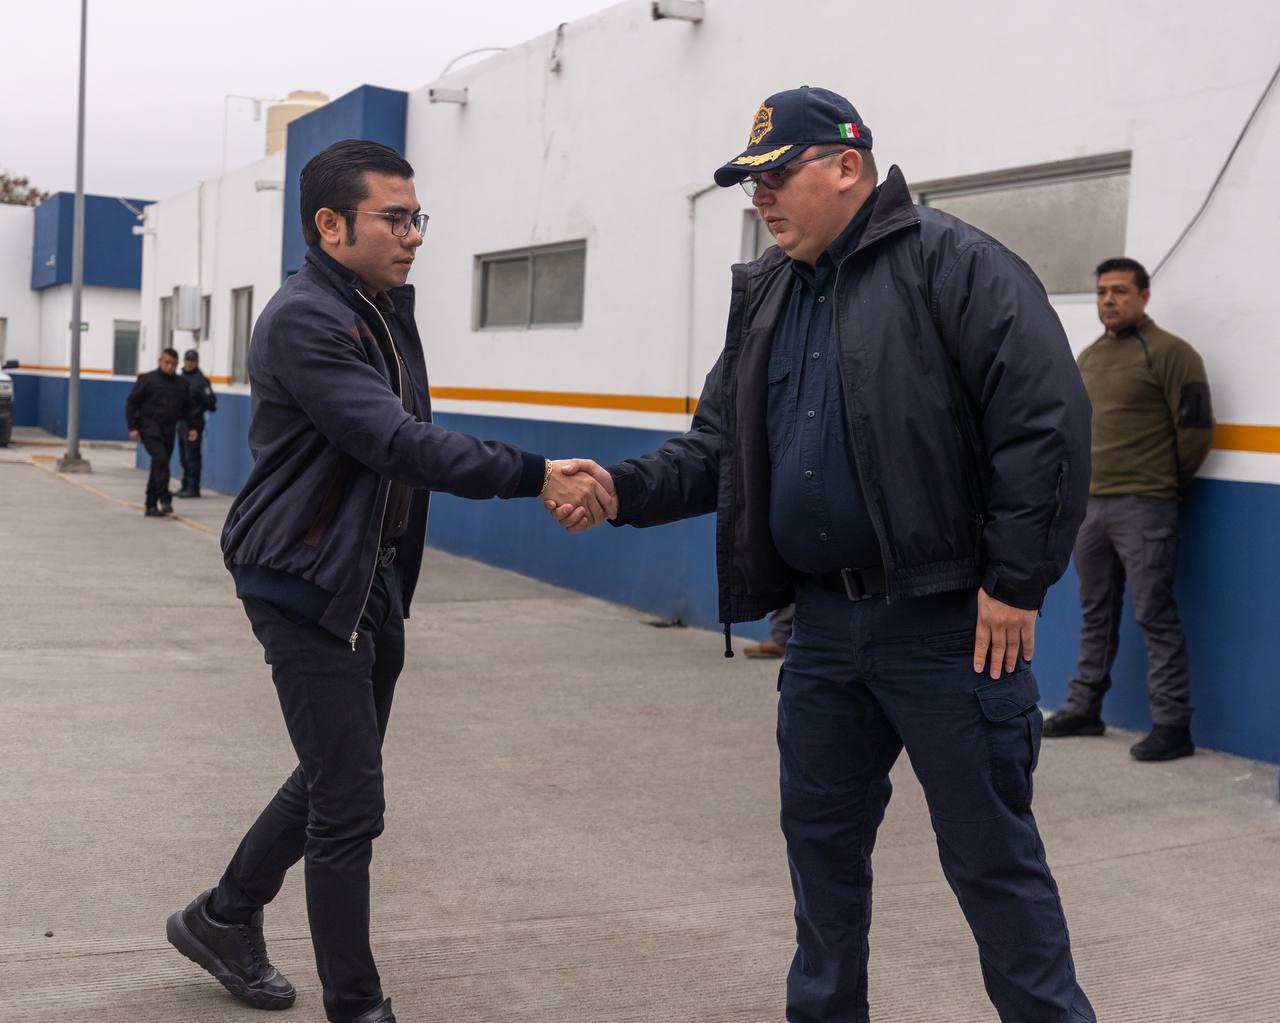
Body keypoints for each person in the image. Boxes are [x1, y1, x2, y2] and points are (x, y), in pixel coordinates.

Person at [550, 87, 1096, 1022]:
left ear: (847, 167)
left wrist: (1015, 581)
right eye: (748, 184)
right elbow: (719, 449)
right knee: (821, 854)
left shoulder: (954, 264)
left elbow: (1044, 424)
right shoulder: (766, 294)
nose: (759, 200)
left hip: (949, 630)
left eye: (775, 176)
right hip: (822, 631)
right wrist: (620, 490)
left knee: (992, 862)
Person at [164, 140, 614, 1023]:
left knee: (338, 771)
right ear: (330, 225)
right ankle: (358, 1006)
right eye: (395, 219)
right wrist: (535, 473)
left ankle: (222, 915)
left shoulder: (378, 308)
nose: (413, 235)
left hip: (366, 576)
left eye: (418, 219)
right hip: (301, 573)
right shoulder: (306, 319)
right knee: (350, 805)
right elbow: (395, 440)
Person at [1044, 258, 1214, 761]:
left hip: (1145, 506)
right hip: (1090, 507)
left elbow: (1196, 432)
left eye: (1119, 291)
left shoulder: (1172, 354)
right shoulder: (1091, 357)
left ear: (1144, 295)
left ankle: (1173, 725)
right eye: (1101, 292)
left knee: (1154, 615)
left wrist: (1159, 481)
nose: (1108, 301)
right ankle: (1084, 708)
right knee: (1095, 611)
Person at [126, 347, 198, 517]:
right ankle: (165, 499)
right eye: (167, 363)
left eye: (173, 364)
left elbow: (189, 408)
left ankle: (150, 505)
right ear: (160, 361)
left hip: (168, 430)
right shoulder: (148, 380)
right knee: (160, 459)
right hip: (148, 428)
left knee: (159, 464)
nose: (170, 366)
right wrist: (133, 428)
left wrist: (192, 427)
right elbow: (131, 403)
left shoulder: (181, 384)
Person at [177, 348, 217, 498]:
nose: (189, 363)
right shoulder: (181, 378)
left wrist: (198, 410)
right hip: (181, 422)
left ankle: (193, 488)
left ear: (197, 362)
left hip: (193, 423)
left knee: (192, 455)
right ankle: (185, 485)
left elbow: (211, 403)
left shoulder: (200, 380)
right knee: (183, 455)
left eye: (192, 360)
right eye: (187, 360)